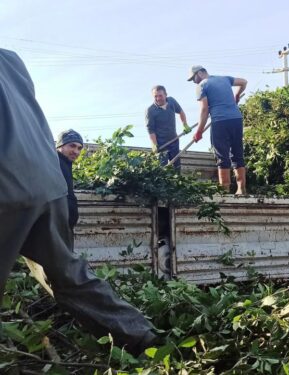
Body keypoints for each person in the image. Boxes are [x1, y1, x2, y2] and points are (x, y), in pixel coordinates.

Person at [0, 48, 158, 355]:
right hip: (47, 182)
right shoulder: (11, 58)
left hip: (6, 186)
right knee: (71, 274)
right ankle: (142, 337)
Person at [187, 65, 248, 195]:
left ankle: (224, 191)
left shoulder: (202, 85)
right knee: (237, 153)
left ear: (201, 73)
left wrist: (199, 132)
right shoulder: (224, 79)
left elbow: (204, 110)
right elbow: (244, 82)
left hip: (220, 122)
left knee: (222, 156)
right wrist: (236, 96)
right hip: (236, 119)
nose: (194, 81)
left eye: (194, 78)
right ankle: (241, 189)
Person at [146, 85, 190, 170]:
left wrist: (185, 125)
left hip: (174, 141)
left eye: (160, 95)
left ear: (165, 95)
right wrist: (154, 144)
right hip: (161, 145)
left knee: (176, 167)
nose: (158, 98)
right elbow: (151, 130)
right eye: (155, 96)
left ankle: (177, 182)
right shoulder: (150, 111)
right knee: (162, 169)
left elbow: (181, 112)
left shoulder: (171, 101)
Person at [56, 129, 84, 230]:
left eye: (79, 148)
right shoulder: (56, 164)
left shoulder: (65, 164)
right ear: (60, 146)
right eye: (72, 145)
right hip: (56, 228)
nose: (76, 151)